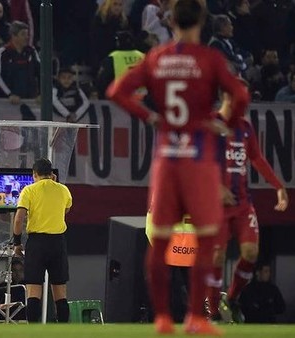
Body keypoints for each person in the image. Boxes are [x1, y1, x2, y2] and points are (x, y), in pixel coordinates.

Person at [106, 0, 250, 333]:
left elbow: (116, 91)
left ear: (170, 23)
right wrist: (224, 121)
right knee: (207, 238)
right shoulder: (209, 59)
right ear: (200, 21)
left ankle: (161, 318)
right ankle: (196, 318)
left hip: (167, 158)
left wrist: (151, 116)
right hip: (197, 159)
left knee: (159, 240)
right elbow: (240, 94)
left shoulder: (157, 58)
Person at [207, 91, 288, 323]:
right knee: (217, 257)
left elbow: (257, 158)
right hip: (216, 206)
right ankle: (212, 311)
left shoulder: (245, 127)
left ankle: (231, 298)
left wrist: (278, 186)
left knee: (251, 252)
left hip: (242, 204)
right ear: (226, 97)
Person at [13, 158, 72, 323]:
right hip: (58, 243)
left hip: (37, 243)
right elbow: (65, 210)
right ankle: (63, 332)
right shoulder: (64, 190)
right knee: (60, 292)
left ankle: (33, 331)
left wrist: (17, 243)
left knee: (33, 290)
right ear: (52, 174)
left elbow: (18, 219)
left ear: (34, 174)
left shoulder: (29, 190)